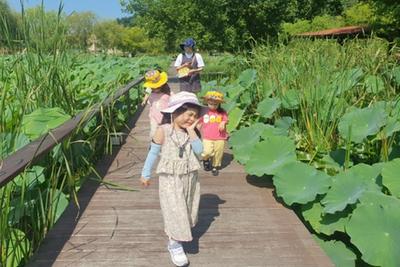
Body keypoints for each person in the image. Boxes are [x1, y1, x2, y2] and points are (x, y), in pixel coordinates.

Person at [140, 91, 205, 267]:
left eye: (195, 116)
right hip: (170, 179)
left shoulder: (192, 133)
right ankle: (174, 244)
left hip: (190, 177)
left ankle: (178, 236)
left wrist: (192, 132)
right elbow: (152, 153)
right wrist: (145, 173)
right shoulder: (163, 131)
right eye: (189, 114)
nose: (191, 119)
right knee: (174, 210)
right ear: (175, 112)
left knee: (188, 208)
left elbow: (201, 152)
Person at [199, 91, 228, 176]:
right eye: (210, 104)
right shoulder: (204, 111)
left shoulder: (222, 112)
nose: (213, 106)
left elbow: (225, 119)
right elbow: (199, 121)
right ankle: (205, 159)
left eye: (215, 104)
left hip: (220, 136)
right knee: (207, 151)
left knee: (218, 152)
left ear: (219, 104)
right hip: (207, 136)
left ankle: (215, 166)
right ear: (207, 102)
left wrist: (223, 123)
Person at [141, 69, 171, 138]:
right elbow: (147, 94)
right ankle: (154, 143)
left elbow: (173, 99)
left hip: (165, 115)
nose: (156, 88)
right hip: (154, 115)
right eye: (153, 87)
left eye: (157, 87)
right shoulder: (150, 91)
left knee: (166, 131)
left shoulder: (167, 94)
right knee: (153, 131)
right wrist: (144, 100)